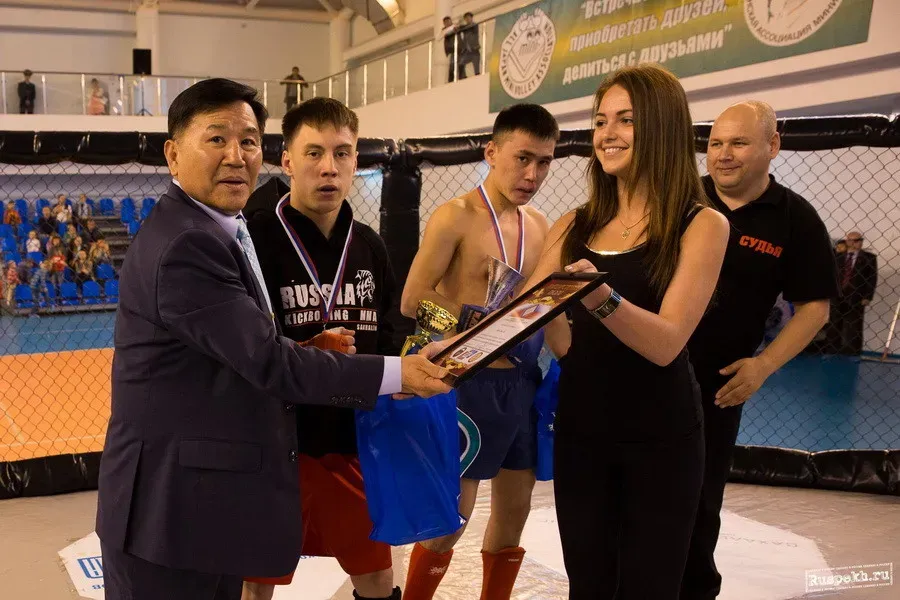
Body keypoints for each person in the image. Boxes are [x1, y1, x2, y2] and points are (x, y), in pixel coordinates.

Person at [94, 78, 451, 600]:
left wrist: (306, 351)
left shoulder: (222, 229)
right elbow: (268, 361)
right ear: (173, 155)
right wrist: (401, 373)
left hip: (218, 486)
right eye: (216, 139)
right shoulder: (191, 243)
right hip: (171, 508)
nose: (236, 156)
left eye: (248, 141)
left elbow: (239, 352)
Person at [517, 64, 729, 598]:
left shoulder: (702, 224)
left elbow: (666, 343)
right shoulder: (574, 224)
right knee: (588, 585)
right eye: (600, 120)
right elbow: (530, 318)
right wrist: (447, 347)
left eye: (626, 120)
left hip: (661, 437)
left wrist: (599, 297)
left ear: (661, 126)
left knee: (648, 588)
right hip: (583, 430)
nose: (607, 133)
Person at [241, 98, 406, 600]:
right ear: (287, 161)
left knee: (377, 579)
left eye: (342, 152)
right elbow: (242, 346)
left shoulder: (369, 245)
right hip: (277, 447)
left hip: (352, 445)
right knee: (256, 581)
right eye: (314, 153)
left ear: (356, 161)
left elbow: (391, 333)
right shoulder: (255, 239)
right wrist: (306, 349)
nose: (329, 167)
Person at [677, 100, 838, 600]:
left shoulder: (794, 218)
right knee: (630, 490)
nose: (723, 154)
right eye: (716, 143)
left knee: (700, 498)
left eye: (739, 143)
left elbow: (815, 307)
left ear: (773, 146)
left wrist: (764, 365)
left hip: (719, 385)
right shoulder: (680, 198)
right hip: (651, 369)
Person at [400, 103, 560, 600]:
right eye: (522, 158)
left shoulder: (541, 225)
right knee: (452, 519)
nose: (532, 174)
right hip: (467, 382)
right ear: (492, 152)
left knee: (515, 513)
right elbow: (412, 299)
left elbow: (544, 309)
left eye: (544, 162)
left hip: (522, 381)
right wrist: (476, 325)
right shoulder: (455, 216)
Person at [831, 230, 877, 355]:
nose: (858, 243)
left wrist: (868, 296)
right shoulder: (838, 257)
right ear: (848, 241)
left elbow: (872, 278)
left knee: (855, 325)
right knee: (834, 323)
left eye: (860, 240)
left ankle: (854, 352)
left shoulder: (869, 258)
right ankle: (831, 350)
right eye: (855, 240)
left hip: (857, 296)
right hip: (838, 295)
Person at [456, 12, 481, 79]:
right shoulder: (465, 28)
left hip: (474, 50)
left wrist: (461, 26)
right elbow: (457, 30)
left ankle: (477, 79)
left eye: (468, 17)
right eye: (466, 18)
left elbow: (469, 27)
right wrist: (459, 25)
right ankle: (463, 77)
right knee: (460, 63)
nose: (467, 19)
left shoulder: (474, 25)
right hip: (467, 51)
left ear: (471, 18)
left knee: (476, 69)